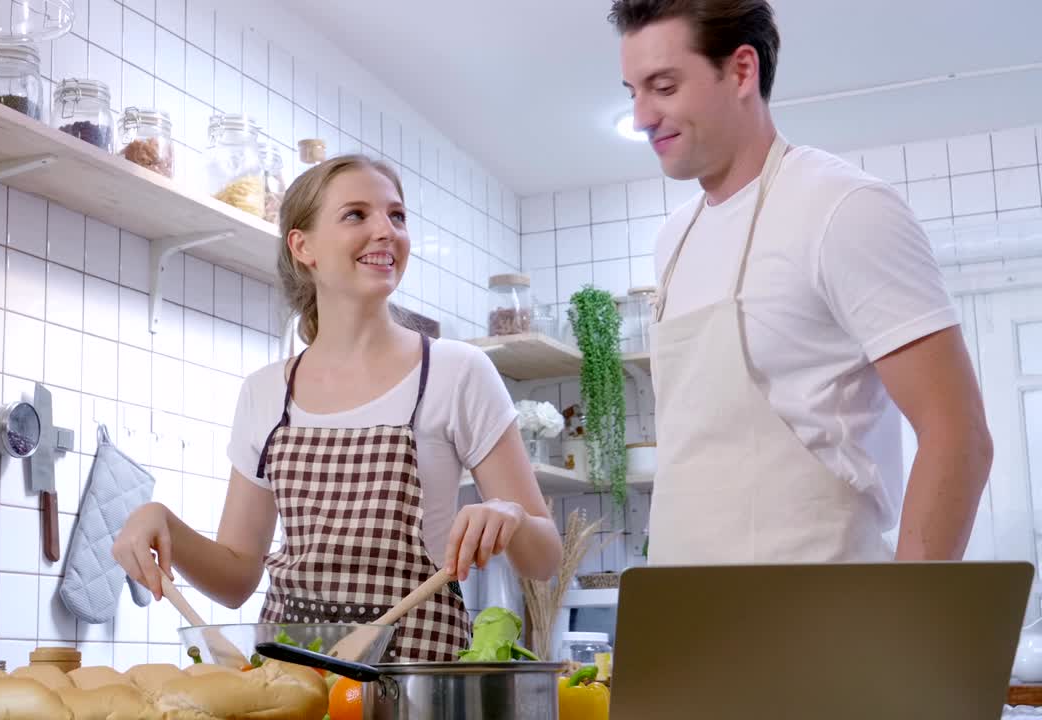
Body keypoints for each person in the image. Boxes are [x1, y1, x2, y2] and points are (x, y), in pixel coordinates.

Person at [113, 154, 563, 662]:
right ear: (302, 245)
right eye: (356, 215)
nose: (386, 231)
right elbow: (237, 577)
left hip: (414, 684)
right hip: (293, 680)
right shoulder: (266, 392)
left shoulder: (457, 372)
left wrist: (512, 517)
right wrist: (162, 522)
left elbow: (544, 559)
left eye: (396, 216)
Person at [609, 0, 993, 563]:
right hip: (696, 620)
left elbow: (957, 434)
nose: (642, 116)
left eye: (663, 87)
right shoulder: (674, 240)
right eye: (632, 91)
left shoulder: (843, 208)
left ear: (742, 70)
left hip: (825, 624)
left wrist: (907, 626)